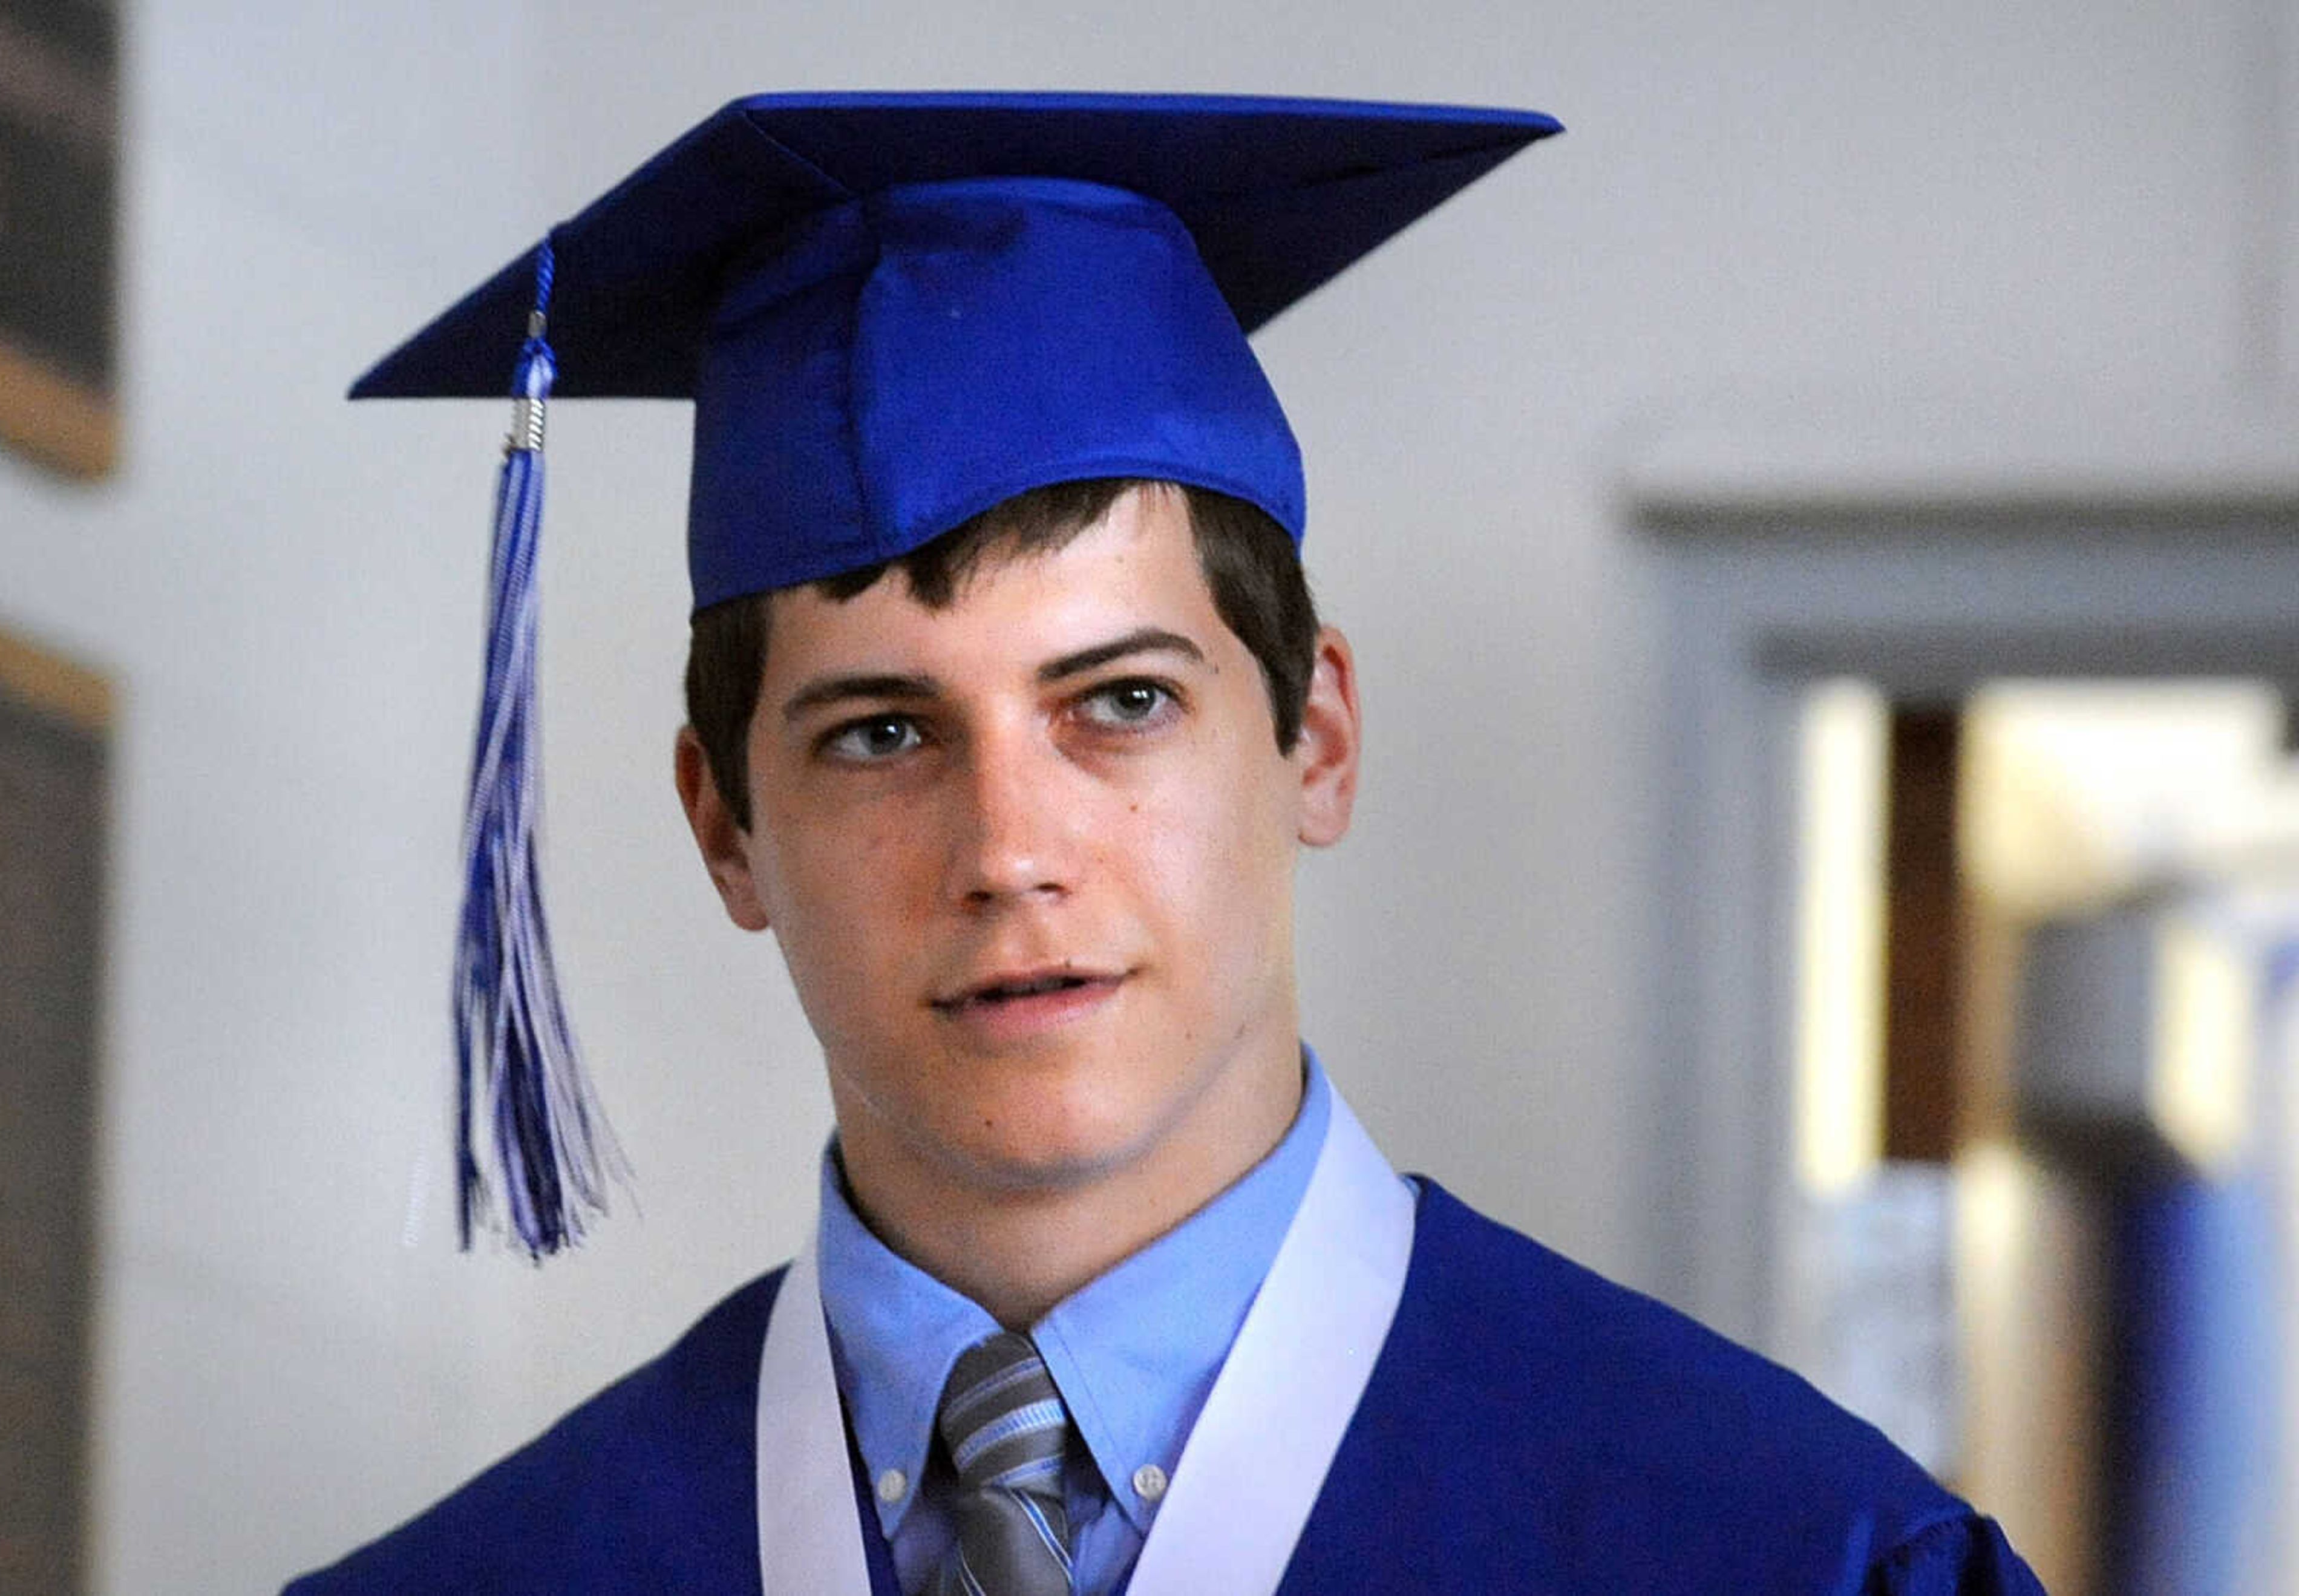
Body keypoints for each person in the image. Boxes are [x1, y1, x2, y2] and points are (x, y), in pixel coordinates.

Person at [288, 92, 2046, 1594]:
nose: (1010, 849)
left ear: (1316, 740)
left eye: (1118, 703)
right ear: (726, 829)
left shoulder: (1780, 1554)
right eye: (882, 733)